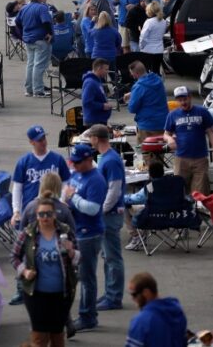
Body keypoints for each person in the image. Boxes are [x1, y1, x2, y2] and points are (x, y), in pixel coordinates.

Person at [10, 124, 71, 305]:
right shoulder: (24, 162)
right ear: (31, 142)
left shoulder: (57, 159)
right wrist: (16, 211)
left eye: (44, 138)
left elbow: (66, 182)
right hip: (30, 212)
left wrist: (62, 201)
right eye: (39, 140)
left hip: (52, 213)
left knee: (50, 251)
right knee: (24, 253)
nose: (43, 142)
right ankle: (22, 289)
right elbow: (17, 188)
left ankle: (54, 285)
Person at [11, 193, 78, 347]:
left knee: (57, 337)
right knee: (39, 337)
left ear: (55, 214)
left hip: (62, 294)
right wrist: (24, 271)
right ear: (36, 215)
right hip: (35, 294)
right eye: (41, 214)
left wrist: (72, 252)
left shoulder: (65, 232)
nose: (45, 217)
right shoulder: (28, 233)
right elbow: (14, 256)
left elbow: (78, 259)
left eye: (48, 214)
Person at [63, 143, 107, 332]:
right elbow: (67, 193)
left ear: (89, 160)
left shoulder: (96, 180)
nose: (75, 165)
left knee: (87, 278)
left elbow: (93, 209)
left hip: (89, 234)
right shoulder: (76, 173)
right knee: (78, 276)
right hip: (76, 230)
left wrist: (73, 199)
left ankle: (88, 316)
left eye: (78, 162)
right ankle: (84, 314)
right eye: (73, 162)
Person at [86, 124, 126, 312]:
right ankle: (110, 293)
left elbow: (114, 189)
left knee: (112, 257)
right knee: (108, 256)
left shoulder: (110, 160)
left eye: (90, 137)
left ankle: (114, 296)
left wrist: (100, 210)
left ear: (96, 138)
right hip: (108, 213)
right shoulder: (107, 158)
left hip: (109, 215)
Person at [164, 86, 213, 195]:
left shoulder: (202, 111)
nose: (183, 102)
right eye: (180, 100)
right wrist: (169, 139)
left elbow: (210, 131)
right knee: (180, 191)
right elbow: (166, 134)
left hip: (200, 159)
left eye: (185, 99)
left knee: (200, 193)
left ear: (190, 97)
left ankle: (199, 211)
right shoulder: (172, 115)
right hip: (181, 159)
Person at [125, 272, 188, 347]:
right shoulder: (177, 311)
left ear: (146, 292)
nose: (132, 299)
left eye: (134, 294)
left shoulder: (141, 321)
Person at [16, 0, 53, 98]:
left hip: (28, 39)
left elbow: (17, 22)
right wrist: (49, 33)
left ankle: (29, 90)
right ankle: (38, 90)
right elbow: (46, 22)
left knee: (30, 64)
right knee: (39, 65)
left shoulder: (24, 8)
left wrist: (24, 32)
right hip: (40, 39)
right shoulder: (42, 8)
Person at [124, 61, 169, 143]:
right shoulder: (158, 80)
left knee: (147, 153)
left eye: (132, 73)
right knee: (159, 151)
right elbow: (149, 92)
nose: (132, 76)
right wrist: (132, 93)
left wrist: (132, 97)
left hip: (147, 126)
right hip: (162, 123)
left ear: (136, 73)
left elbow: (132, 108)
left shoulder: (139, 87)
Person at [82, 58, 112, 128]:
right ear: (99, 68)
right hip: (94, 121)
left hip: (98, 120)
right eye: (106, 69)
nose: (107, 72)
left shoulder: (96, 81)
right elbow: (86, 102)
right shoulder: (90, 83)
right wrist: (103, 106)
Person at [139, 1, 167, 73]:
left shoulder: (149, 22)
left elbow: (143, 36)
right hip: (159, 50)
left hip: (148, 50)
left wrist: (141, 46)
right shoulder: (163, 21)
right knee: (156, 70)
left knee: (147, 71)